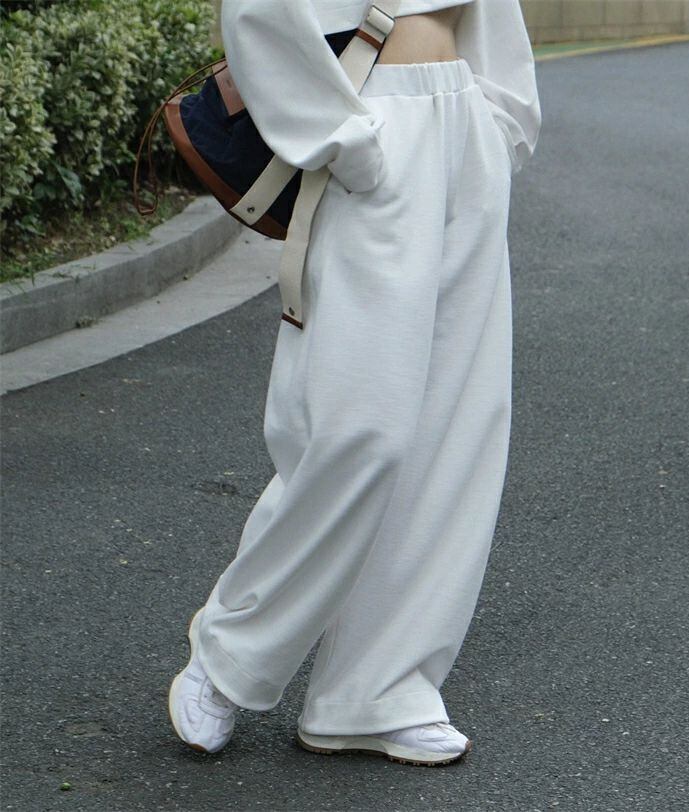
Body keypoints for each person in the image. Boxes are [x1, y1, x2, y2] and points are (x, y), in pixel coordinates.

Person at [168, 0, 541, 767]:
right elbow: (260, 11)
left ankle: (376, 693)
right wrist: (344, 139)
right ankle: (231, 653)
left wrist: (497, 121)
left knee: (455, 424)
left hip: (461, 119)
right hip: (371, 121)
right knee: (358, 423)